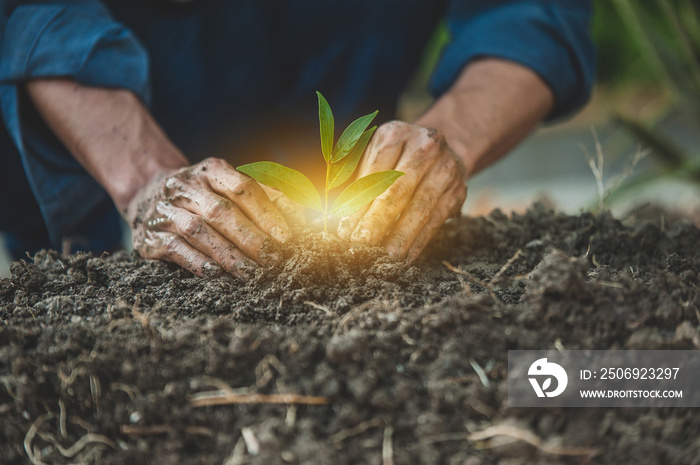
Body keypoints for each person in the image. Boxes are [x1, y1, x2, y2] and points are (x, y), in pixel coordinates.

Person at [0, 0, 595, 278]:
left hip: (344, 199)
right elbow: (35, 12)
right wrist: (148, 182)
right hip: (96, 177)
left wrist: (450, 143)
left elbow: (529, 11)